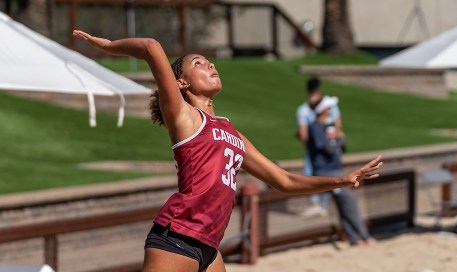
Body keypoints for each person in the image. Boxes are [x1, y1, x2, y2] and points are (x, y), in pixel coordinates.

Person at [72, 30, 383, 272]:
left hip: (208, 244)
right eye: (198, 63)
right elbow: (152, 47)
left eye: (209, 61)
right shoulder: (183, 116)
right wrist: (108, 47)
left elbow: (283, 180)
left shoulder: (232, 133)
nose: (209, 64)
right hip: (177, 237)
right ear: (181, 82)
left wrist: (341, 181)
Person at [307, 95, 375, 247]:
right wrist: (338, 139)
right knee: (349, 202)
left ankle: (355, 239)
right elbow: (328, 149)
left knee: (343, 204)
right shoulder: (316, 127)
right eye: (329, 108)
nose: (331, 111)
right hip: (327, 173)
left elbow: (338, 148)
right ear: (323, 109)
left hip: (334, 171)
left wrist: (336, 138)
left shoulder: (324, 126)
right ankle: (364, 237)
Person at [296, 77, 342, 216]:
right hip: (320, 148)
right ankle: (318, 204)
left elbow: (303, 133)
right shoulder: (305, 110)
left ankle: (319, 204)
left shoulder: (305, 109)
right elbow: (338, 127)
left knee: (316, 173)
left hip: (321, 148)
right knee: (317, 173)